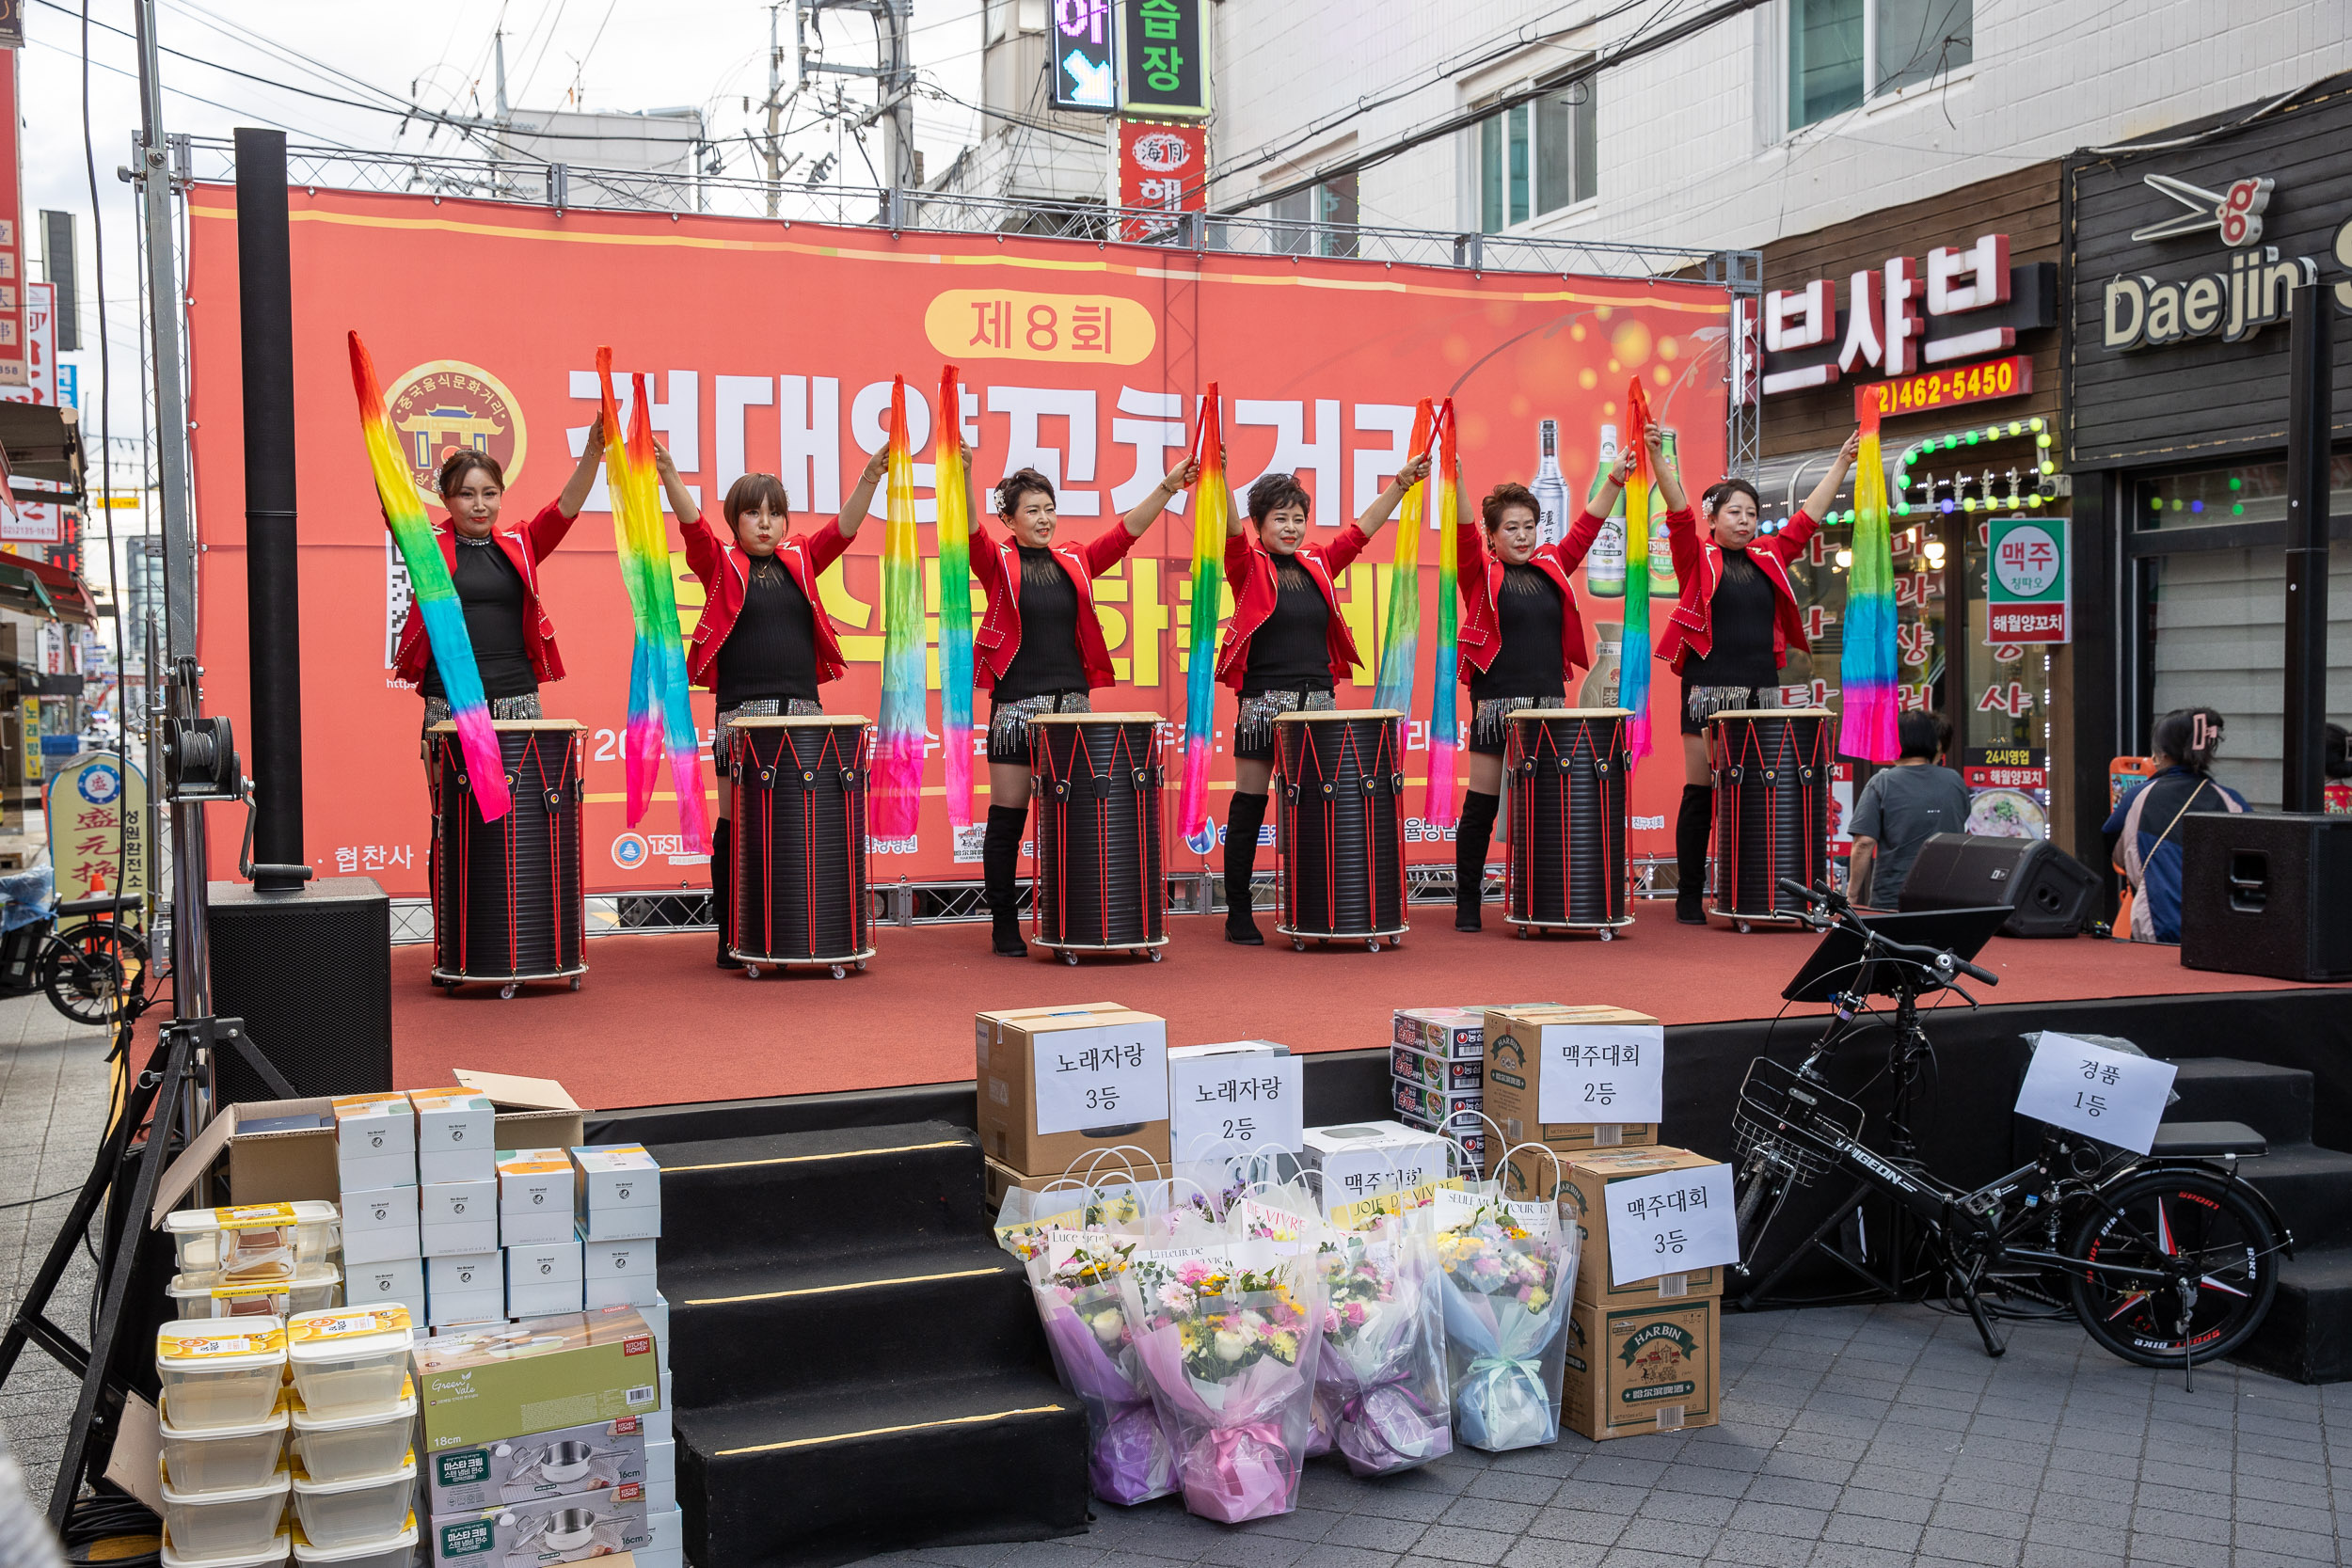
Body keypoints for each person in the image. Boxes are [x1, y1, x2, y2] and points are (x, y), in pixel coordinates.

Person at [670, 446, 892, 967]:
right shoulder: (719, 562)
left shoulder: (802, 560)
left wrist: (869, 476)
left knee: (800, 824)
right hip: (740, 719)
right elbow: (692, 527)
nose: (765, 524)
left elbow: (844, 528)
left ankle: (800, 927)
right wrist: (668, 476)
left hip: (801, 714)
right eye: (753, 513)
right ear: (735, 521)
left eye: (774, 514)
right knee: (737, 828)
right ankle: (732, 935)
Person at [974, 457, 1200, 956]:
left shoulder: (1073, 560)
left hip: (1070, 713)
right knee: (1007, 819)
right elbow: (970, 533)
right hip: (1015, 710)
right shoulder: (998, 562)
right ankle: (1004, 925)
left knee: (1072, 821)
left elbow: (1124, 535)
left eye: (1049, 509)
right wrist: (963, 469)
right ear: (1008, 520)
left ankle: (1072, 917)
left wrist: (1167, 485)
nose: (1043, 519)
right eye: (1031, 510)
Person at [1216, 456, 1431, 945]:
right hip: (1264, 705)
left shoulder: (1317, 564)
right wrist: (1220, 474)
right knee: (1249, 805)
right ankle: (1238, 913)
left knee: (1315, 809)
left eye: (1298, 519)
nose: (1291, 529)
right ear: (1259, 523)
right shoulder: (1247, 566)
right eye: (1280, 519)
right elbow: (1228, 528)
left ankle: (1314, 903)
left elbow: (1361, 533)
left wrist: (1401, 484)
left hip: (1317, 705)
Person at [1654, 427, 1864, 924]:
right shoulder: (1696, 555)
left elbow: (1807, 519)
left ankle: (1750, 887)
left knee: (1754, 793)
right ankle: (1689, 894)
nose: (1746, 520)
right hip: (1708, 690)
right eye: (1735, 512)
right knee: (1701, 791)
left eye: (1751, 513)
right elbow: (1678, 509)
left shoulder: (1769, 555)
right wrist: (1657, 456)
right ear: (1713, 518)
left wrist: (1841, 463)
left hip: (1759, 692)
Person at [1448, 446, 1639, 929]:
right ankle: (1467, 901)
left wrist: (1614, 479)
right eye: (1510, 528)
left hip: (1548, 706)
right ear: (1493, 537)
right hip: (1497, 704)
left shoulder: (1554, 564)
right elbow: (1463, 532)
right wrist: (1457, 478)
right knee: (1482, 804)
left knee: (1546, 807)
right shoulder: (1479, 573)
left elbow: (1586, 530)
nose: (1522, 536)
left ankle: (1541, 896)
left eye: (1529, 526)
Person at [402, 430, 606, 805]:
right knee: (452, 823)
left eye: (489, 493)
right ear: (445, 500)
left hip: (517, 699)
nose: (479, 505)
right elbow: (392, 501)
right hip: (450, 702)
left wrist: (593, 451)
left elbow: (566, 508)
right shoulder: (424, 545)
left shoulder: (521, 543)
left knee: (520, 823)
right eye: (466, 494)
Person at [2105, 706, 2246, 942]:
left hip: (2156, 922)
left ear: (2161, 754)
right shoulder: (2231, 800)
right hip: (2219, 930)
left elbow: (2113, 843)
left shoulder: (2139, 796)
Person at [1847, 710, 1970, 908]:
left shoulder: (1882, 783)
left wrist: (1851, 895)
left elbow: (1863, 843)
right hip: (1948, 894)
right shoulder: (1955, 780)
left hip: (1894, 896)